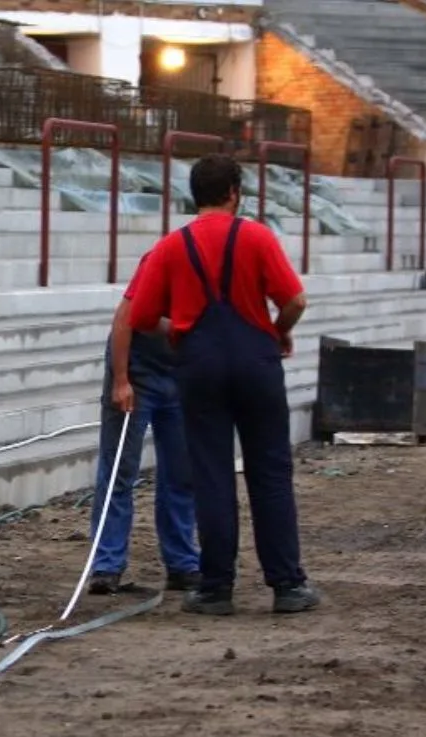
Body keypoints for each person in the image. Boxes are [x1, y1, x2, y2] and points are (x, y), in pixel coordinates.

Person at [115, 154, 321, 615]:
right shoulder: (255, 236)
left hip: (199, 368)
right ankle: (287, 584)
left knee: (210, 474)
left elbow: (143, 316)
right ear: (234, 192)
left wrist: (183, 333)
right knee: (270, 473)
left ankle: (215, 585)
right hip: (256, 363)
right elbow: (295, 300)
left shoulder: (171, 246)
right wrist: (279, 329)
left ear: (196, 193)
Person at [87, 287, 201, 595]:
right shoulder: (162, 260)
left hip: (180, 371)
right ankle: (107, 564)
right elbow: (126, 316)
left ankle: (182, 563)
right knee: (119, 470)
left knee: (181, 471)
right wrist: (121, 379)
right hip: (138, 369)